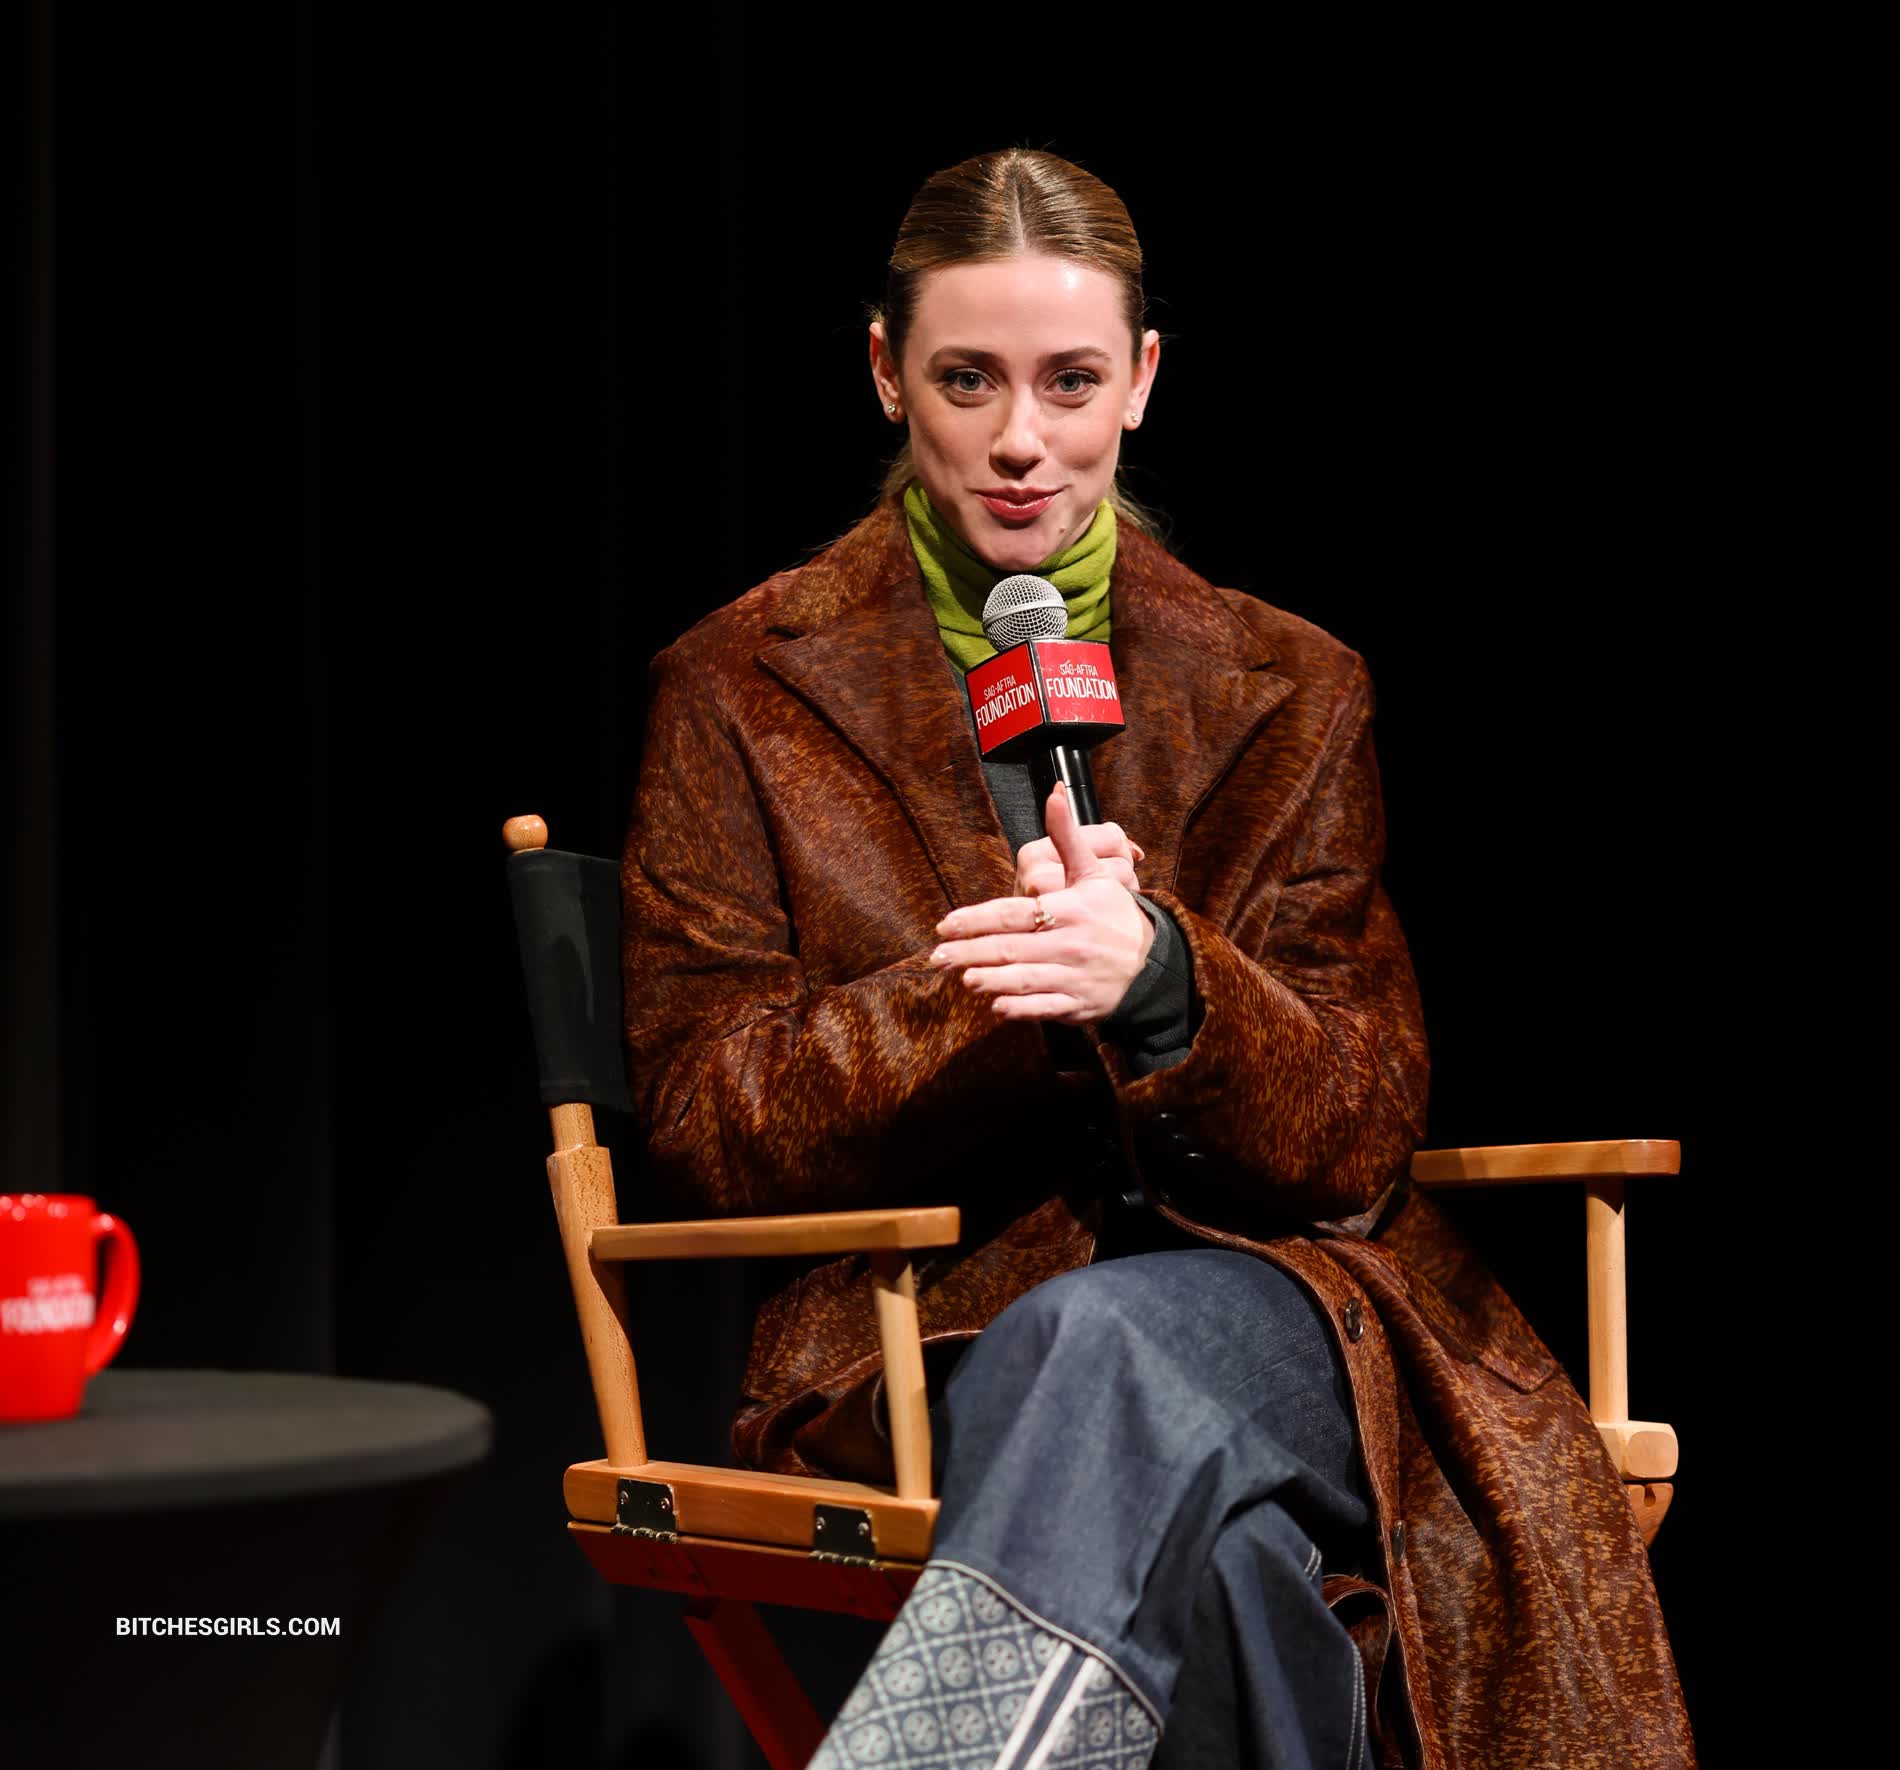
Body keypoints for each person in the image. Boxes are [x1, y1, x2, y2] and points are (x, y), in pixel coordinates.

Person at [621, 148, 1694, 1769]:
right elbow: (703, 1118)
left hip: (1287, 1306)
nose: (1020, 438)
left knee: (1102, 1346)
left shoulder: (1290, 682)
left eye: (1069, 380)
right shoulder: (736, 685)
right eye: (967, 379)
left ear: (1140, 380)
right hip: (931, 1336)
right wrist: (976, 989)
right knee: (1229, 1566)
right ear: (886, 372)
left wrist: (1166, 981)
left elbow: (1362, 1118)